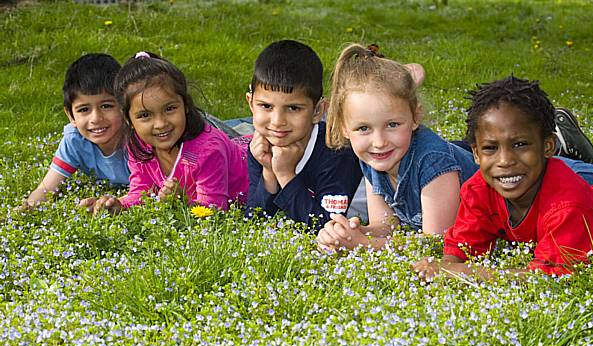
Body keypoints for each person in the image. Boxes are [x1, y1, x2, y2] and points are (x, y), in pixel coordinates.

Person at [413, 75, 593, 279]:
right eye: (490, 148)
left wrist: (463, 272)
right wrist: (442, 270)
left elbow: (548, 278)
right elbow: (462, 248)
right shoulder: (478, 190)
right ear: (475, 153)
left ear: (548, 146)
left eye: (520, 144)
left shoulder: (568, 206)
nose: (505, 161)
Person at [316, 43, 478, 251]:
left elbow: (436, 242)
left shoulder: (433, 162)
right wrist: (348, 234)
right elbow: (385, 226)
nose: (380, 142)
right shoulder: (373, 158)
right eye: (364, 128)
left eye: (392, 125)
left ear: (415, 117)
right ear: (344, 128)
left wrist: (365, 244)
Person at [85, 51, 248, 215]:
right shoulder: (140, 144)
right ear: (128, 120)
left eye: (169, 109)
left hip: (257, 167)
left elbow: (214, 211)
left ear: (185, 104)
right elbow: (141, 191)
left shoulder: (208, 151)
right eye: (145, 115)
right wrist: (119, 205)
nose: (160, 124)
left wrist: (182, 203)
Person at [244, 40, 363, 230]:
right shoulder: (260, 147)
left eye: (293, 108)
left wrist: (285, 174)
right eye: (266, 106)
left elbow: (325, 227)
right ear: (251, 103)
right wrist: (269, 172)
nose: (277, 121)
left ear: (317, 111)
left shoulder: (337, 151)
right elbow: (255, 220)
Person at [18, 53, 129, 211]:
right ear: (71, 116)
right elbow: (46, 189)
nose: (96, 118)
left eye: (106, 106)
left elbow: (153, 186)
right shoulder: (75, 140)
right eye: (84, 109)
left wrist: (117, 202)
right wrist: (26, 208)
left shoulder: (137, 138)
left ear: (123, 105)